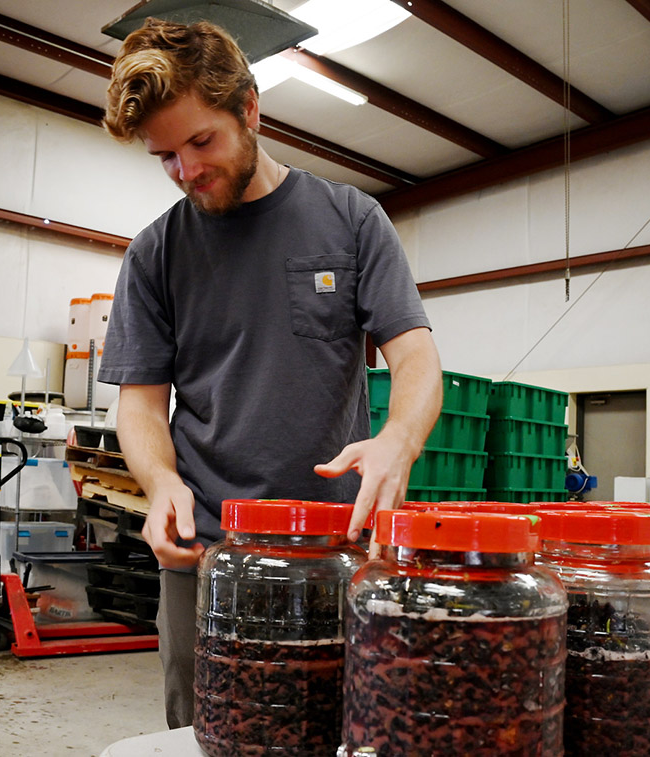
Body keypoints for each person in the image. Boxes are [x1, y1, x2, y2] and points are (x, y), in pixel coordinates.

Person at [99, 19, 443, 729]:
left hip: (333, 549)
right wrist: (161, 481)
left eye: (202, 142)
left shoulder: (352, 221)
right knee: (207, 730)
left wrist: (398, 438)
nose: (188, 171)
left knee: (336, 725)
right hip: (204, 553)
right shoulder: (155, 254)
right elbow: (139, 404)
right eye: (165, 156)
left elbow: (414, 356)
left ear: (250, 108)